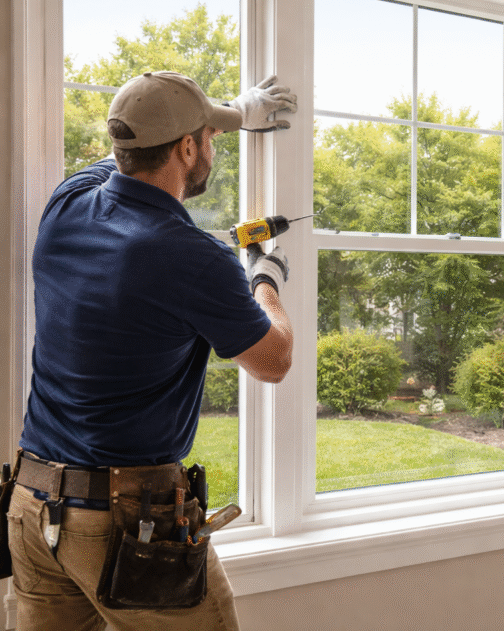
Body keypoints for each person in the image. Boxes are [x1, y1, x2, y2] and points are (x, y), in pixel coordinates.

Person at [8, 71, 297, 631]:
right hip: (124, 522)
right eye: (209, 136)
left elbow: (128, 152)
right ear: (188, 146)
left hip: (32, 506)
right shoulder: (192, 256)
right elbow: (273, 361)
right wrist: (264, 278)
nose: (213, 143)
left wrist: (235, 112)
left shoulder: (68, 202)